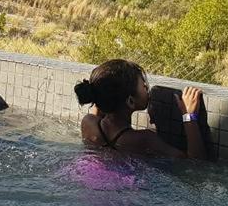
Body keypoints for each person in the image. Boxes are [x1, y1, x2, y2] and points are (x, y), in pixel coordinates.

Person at [73, 59, 206, 159]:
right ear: (130, 101)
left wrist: (102, 93)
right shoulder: (145, 140)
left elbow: (100, 108)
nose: (148, 90)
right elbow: (194, 162)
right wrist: (189, 116)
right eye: (144, 87)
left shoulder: (88, 123)